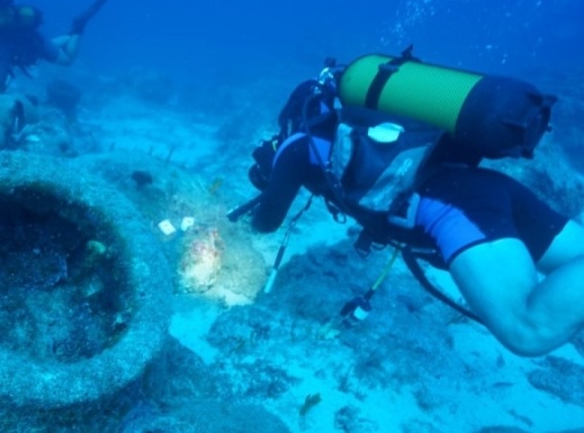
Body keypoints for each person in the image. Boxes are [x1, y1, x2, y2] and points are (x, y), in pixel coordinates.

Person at [249, 69, 584, 358]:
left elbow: (265, 223)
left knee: (526, 330)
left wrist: (271, 166)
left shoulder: (298, 146)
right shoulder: (369, 123)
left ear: (292, 116)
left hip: (457, 210)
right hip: (488, 186)